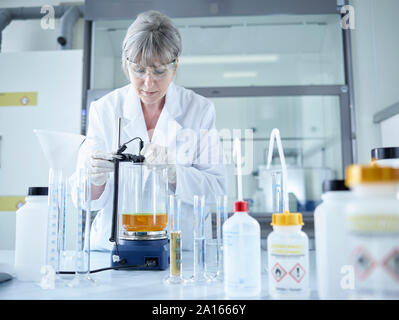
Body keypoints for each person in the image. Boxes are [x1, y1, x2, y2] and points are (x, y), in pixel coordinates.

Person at [76, 10, 227, 251]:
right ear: (126, 65)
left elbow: (218, 190)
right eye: (139, 70)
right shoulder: (104, 110)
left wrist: (175, 174)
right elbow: (84, 200)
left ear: (175, 66)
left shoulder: (199, 110)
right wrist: (95, 178)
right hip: (113, 248)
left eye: (159, 71)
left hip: (180, 252)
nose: (148, 83)